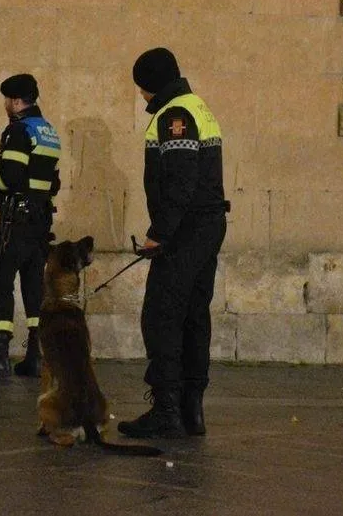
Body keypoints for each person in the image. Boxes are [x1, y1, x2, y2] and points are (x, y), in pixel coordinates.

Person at [118, 47, 228, 439]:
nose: (141, 96)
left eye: (141, 88)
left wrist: (159, 234)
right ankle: (191, 410)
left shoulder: (174, 115)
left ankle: (166, 410)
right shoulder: (198, 106)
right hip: (209, 225)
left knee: (161, 314)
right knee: (194, 314)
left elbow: (180, 182)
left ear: (153, 83)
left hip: (186, 230)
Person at [0, 74, 60, 380]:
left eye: (7, 100)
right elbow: (53, 181)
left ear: (16, 101)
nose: (5, 105)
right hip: (40, 220)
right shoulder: (48, 132)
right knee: (34, 286)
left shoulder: (18, 130)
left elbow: (10, 177)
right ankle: (36, 356)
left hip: (15, 221)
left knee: (2, 284)